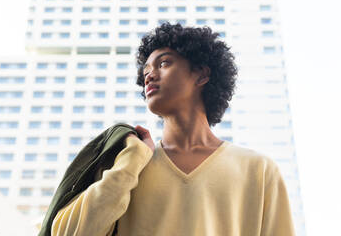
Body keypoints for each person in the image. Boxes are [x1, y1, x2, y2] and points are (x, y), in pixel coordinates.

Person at [51, 22, 296, 236]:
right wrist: (130, 163)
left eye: (164, 63)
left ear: (201, 75)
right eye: (146, 70)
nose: (149, 76)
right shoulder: (128, 164)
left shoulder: (258, 170)